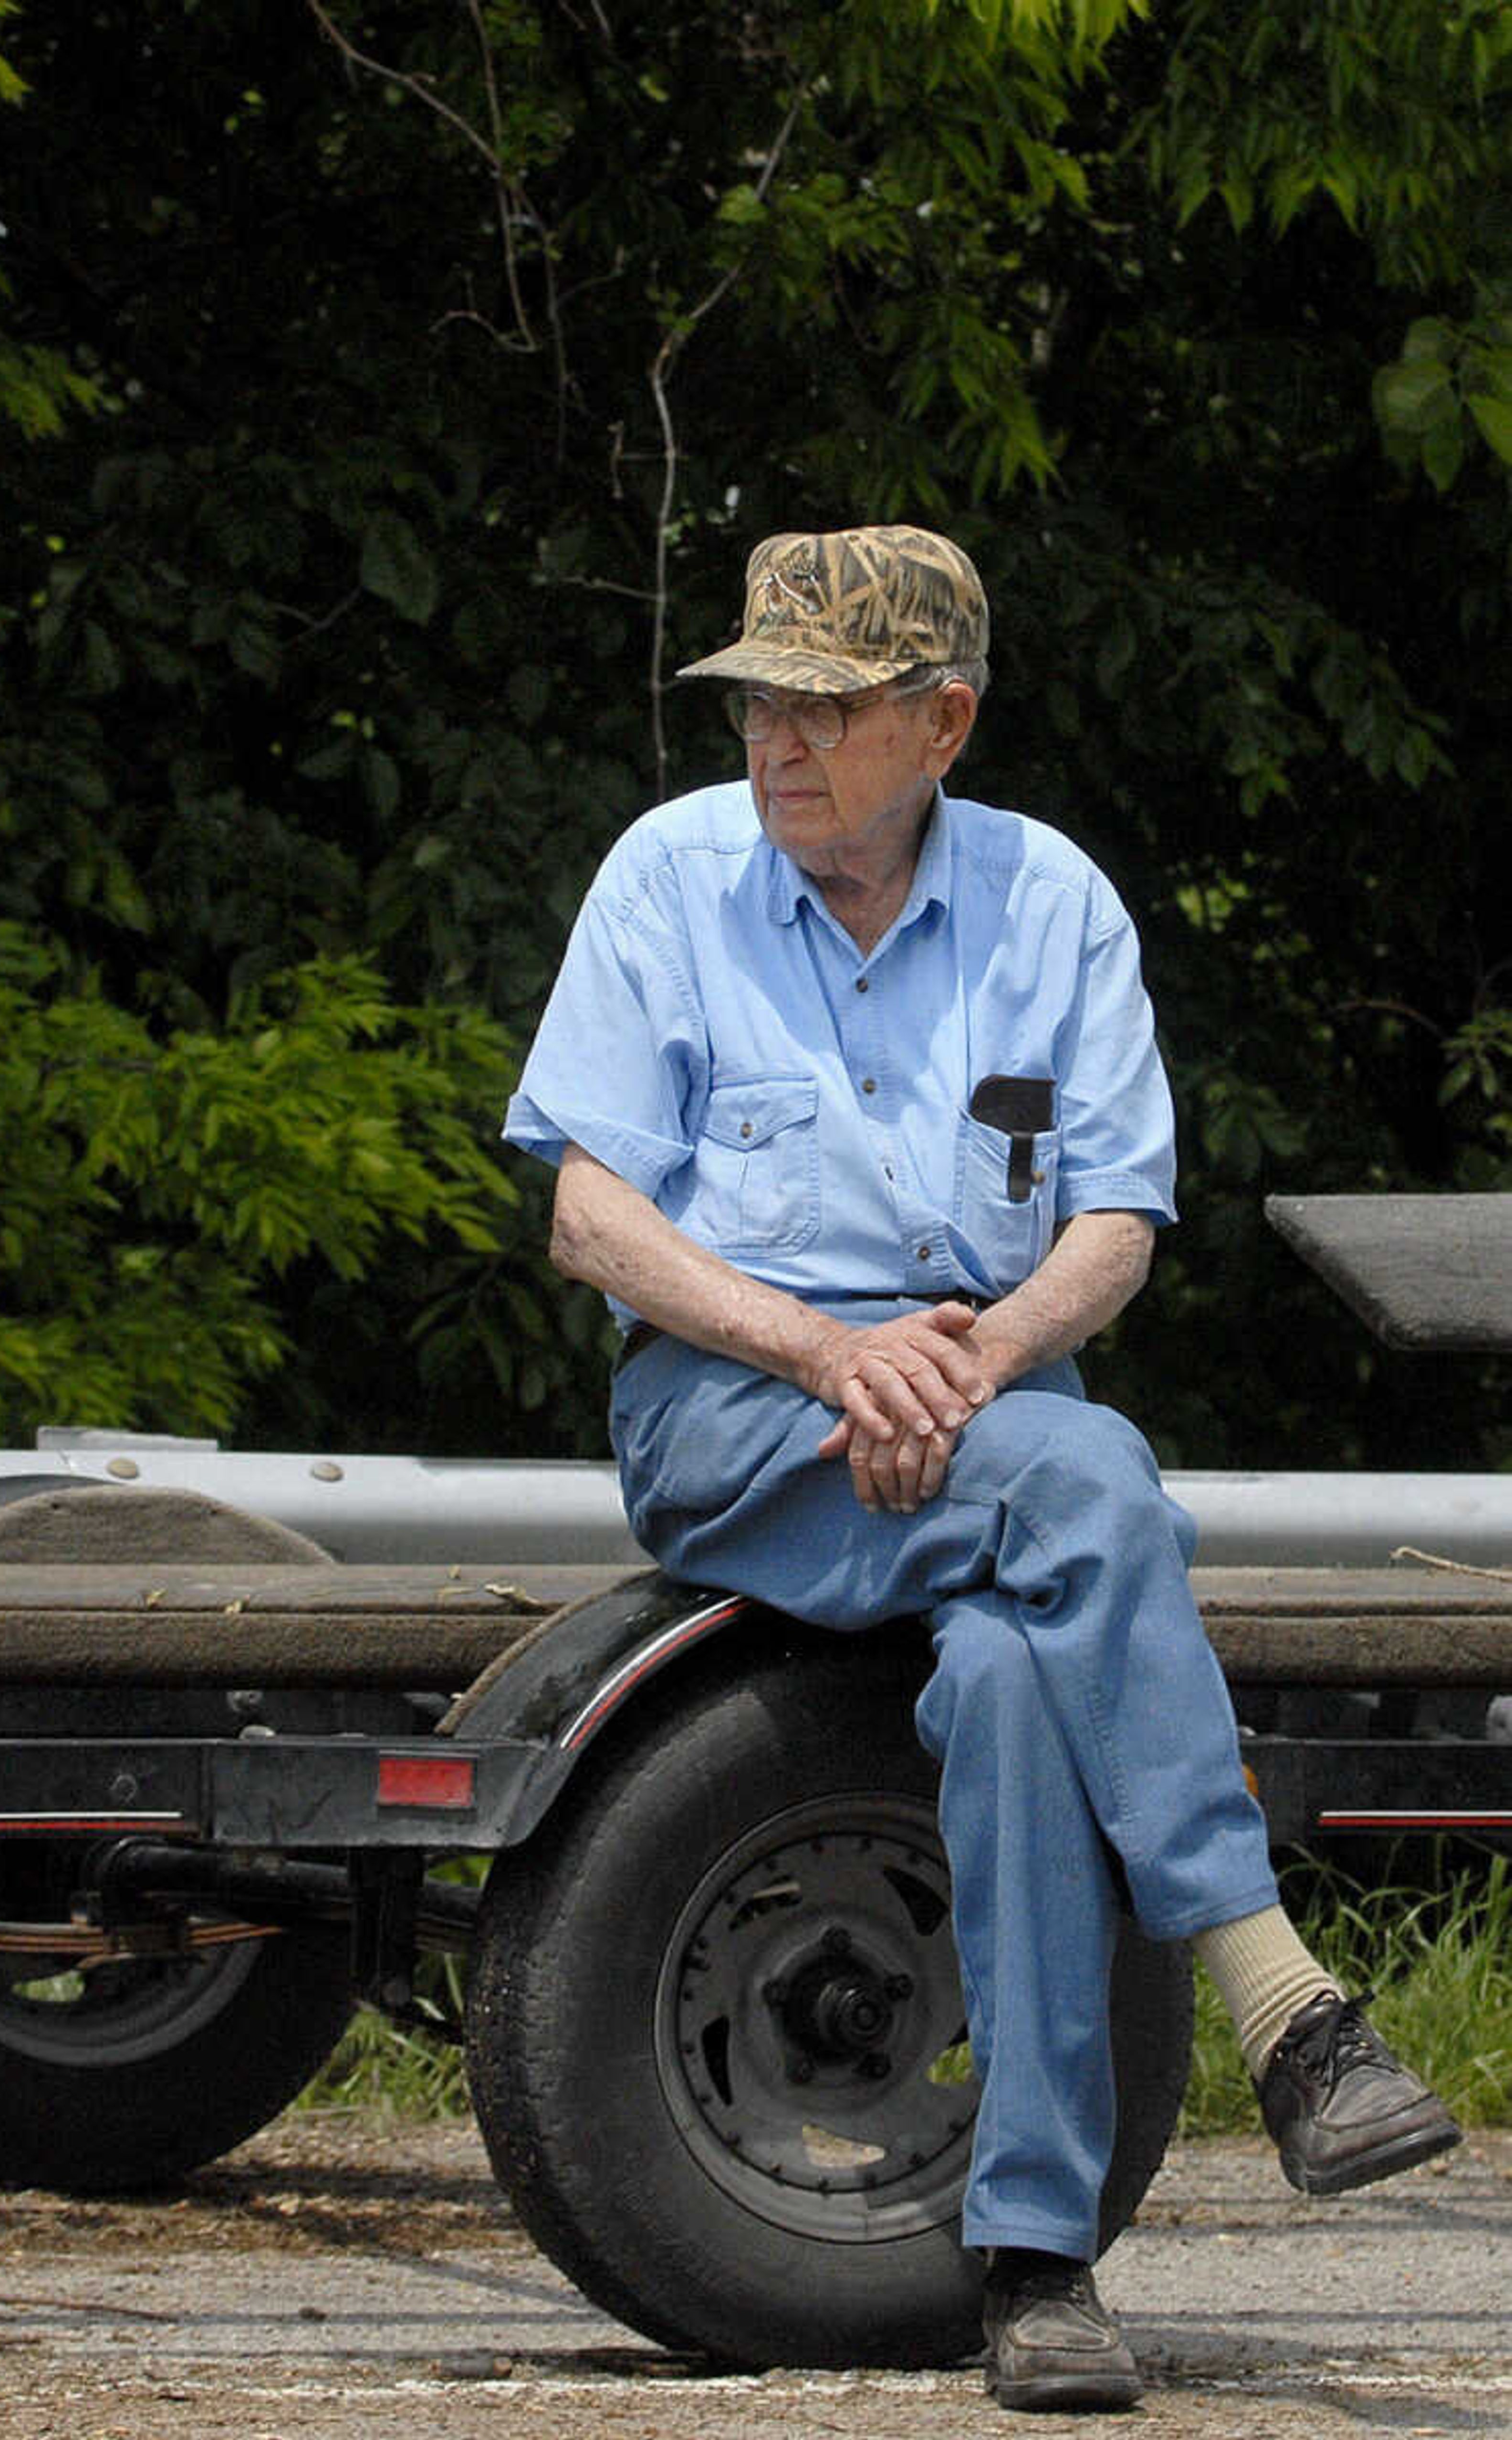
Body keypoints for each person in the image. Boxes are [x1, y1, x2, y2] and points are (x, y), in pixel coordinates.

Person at [503, 525, 1460, 2413]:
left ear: (942, 722)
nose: (776, 736)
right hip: (738, 1407)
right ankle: (1280, 1992)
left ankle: (1035, 2265)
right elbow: (592, 1219)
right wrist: (828, 1348)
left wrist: (984, 1354)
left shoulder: (1057, 905)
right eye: (760, 697)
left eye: (826, 705)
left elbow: (1114, 1225)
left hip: (992, 1405)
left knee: (1027, 1676)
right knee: (1095, 1487)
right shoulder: (668, 880)